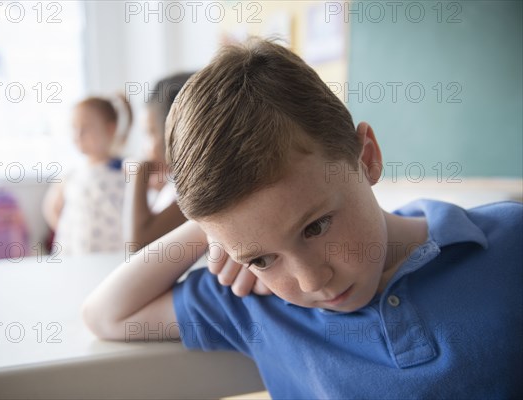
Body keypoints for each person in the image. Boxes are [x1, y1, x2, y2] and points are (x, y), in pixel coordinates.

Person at [81, 39, 522, 398]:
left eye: (316, 226)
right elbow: (108, 314)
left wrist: (250, 239)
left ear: (366, 157)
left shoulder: (509, 245)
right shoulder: (260, 306)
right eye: (263, 258)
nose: (312, 281)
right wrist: (216, 225)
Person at [42, 94, 132, 255]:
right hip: (76, 253)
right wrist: (70, 231)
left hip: (114, 254)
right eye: (74, 128)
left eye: (86, 128)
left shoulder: (125, 169)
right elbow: (51, 208)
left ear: (110, 129)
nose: (78, 134)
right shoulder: (71, 174)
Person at [123, 73, 192, 249]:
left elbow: (137, 243)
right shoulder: (174, 184)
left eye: (151, 132)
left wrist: (139, 175)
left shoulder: (197, 189)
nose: (145, 148)